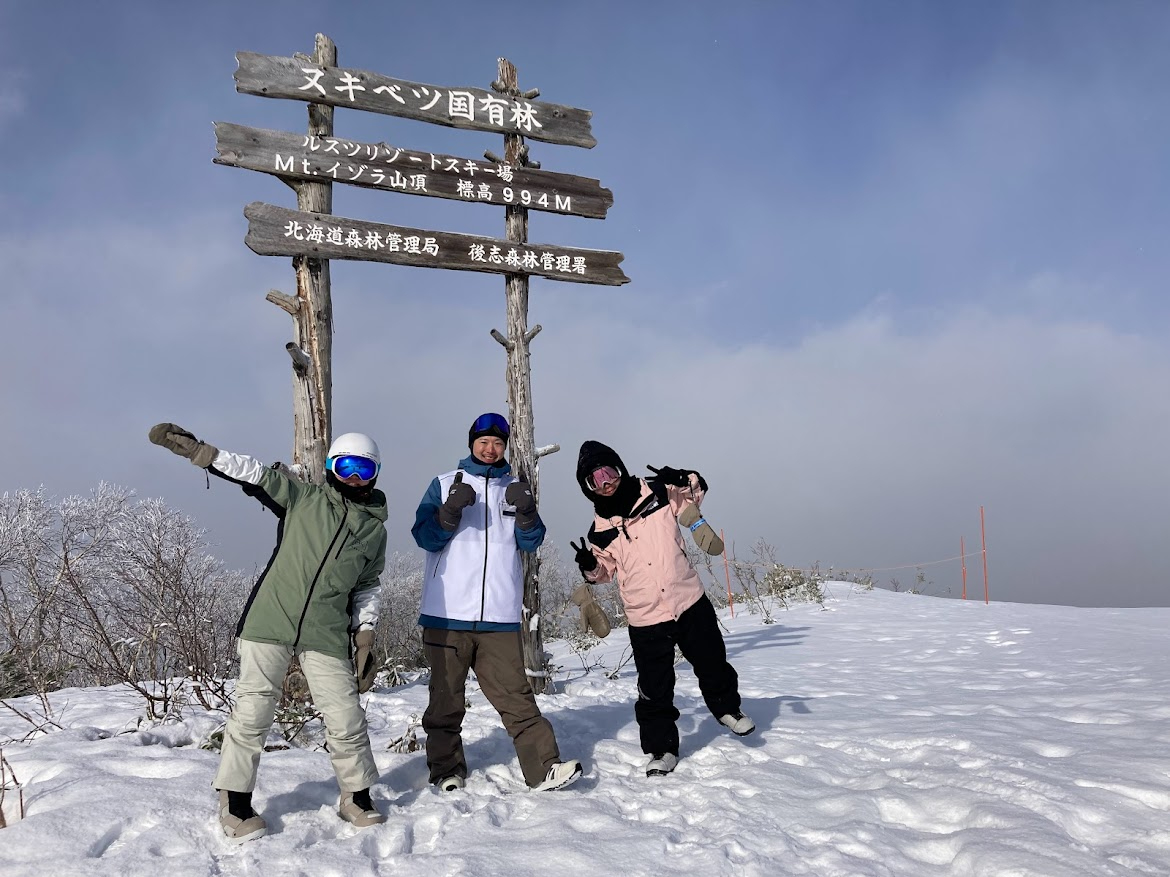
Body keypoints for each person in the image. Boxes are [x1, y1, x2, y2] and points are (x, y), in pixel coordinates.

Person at [148, 424, 389, 842]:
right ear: (331, 468)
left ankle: (356, 795)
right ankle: (235, 802)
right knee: (253, 713)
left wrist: (364, 637)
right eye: (344, 465)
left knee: (346, 715)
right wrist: (202, 452)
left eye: (362, 468)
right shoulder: (304, 498)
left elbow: (368, 586)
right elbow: (254, 472)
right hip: (271, 621)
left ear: (374, 474)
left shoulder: (375, 532)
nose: (352, 476)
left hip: (326, 630)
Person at [411, 412, 582, 792]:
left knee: (517, 698)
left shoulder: (515, 486)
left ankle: (544, 769)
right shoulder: (442, 484)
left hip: (500, 617)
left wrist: (527, 512)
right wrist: (449, 511)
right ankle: (446, 770)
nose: (490, 450)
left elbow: (531, 541)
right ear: (472, 443)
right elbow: (425, 537)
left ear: (505, 447)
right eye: (484, 442)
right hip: (446, 614)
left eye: (498, 443)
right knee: (446, 700)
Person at [571, 440, 754, 778]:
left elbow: (694, 496)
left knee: (712, 660)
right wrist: (588, 566)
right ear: (588, 488)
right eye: (595, 480)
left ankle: (729, 710)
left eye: (608, 472)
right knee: (654, 688)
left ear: (620, 468)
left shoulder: (656, 491)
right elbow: (603, 574)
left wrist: (684, 478)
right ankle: (662, 748)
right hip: (645, 616)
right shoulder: (599, 531)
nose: (605, 482)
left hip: (688, 599)